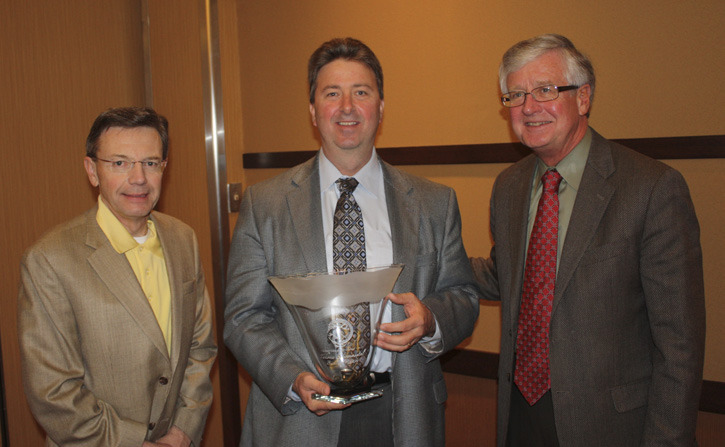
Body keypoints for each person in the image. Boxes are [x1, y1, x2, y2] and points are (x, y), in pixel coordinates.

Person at [224, 37, 480, 447]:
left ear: (381, 107)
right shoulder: (265, 204)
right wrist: (292, 377)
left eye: (361, 92)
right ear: (313, 111)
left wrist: (430, 319)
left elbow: (464, 296)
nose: (347, 107)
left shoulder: (434, 203)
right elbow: (242, 318)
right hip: (301, 420)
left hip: (404, 412)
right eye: (332, 94)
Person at [470, 34, 706, 446]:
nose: (528, 107)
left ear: (583, 98)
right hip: (520, 415)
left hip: (611, 426)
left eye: (545, 90)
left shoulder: (652, 188)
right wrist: (422, 259)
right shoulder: (509, 186)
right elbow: (508, 273)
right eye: (516, 95)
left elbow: (679, 346)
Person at [18, 107, 217, 447]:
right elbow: (53, 390)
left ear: (163, 169)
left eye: (151, 163)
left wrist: (183, 430)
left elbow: (201, 346)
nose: (138, 178)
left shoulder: (183, 238)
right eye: (120, 163)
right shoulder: (50, 259)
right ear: (92, 170)